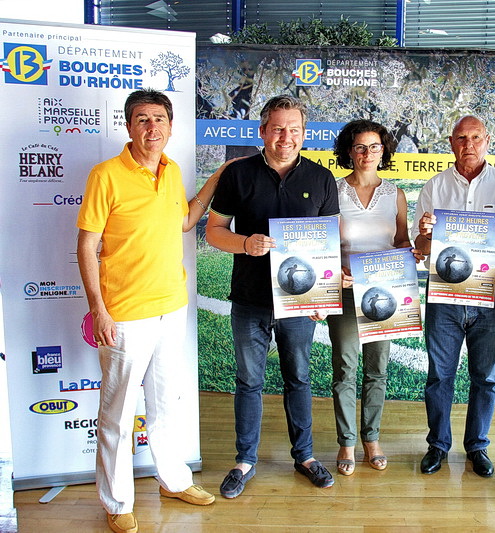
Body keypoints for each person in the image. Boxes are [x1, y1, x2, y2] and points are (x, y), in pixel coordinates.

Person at [77, 89, 223, 533]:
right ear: (128, 126)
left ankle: (172, 480)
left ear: (170, 126)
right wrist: (98, 309)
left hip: (170, 306)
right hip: (124, 311)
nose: (152, 129)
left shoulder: (172, 169)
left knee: (164, 403)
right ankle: (117, 501)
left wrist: (217, 176)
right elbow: (86, 244)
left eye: (159, 119)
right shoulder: (105, 175)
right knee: (118, 413)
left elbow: (182, 221)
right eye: (142, 120)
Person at [205, 95, 339, 497]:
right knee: (249, 380)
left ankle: (306, 457)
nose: (286, 137)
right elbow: (213, 231)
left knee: (299, 377)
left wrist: (322, 295)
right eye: (278, 128)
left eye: (294, 129)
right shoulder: (237, 173)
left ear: (304, 133)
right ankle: (244, 461)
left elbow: (328, 244)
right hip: (249, 299)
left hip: (299, 304)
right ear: (262, 131)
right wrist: (245, 243)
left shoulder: (320, 179)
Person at [412, 115, 495, 478]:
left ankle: (477, 445)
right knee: (439, 375)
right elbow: (420, 247)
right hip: (444, 293)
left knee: (485, 376)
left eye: (475, 137)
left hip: (491, 291)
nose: (468, 144)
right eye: (461, 138)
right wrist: (426, 234)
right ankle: (438, 445)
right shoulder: (434, 187)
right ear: (451, 142)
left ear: (487, 140)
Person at [327, 120, 411, 476]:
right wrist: (337, 273)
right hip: (345, 292)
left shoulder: (396, 195)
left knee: (377, 369)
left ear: (383, 151)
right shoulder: (332, 191)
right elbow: (322, 244)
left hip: (384, 295)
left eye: (374, 147)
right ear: (349, 150)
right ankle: (346, 441)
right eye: (360, 147)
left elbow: (403, 242)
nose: (367, 153)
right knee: (345, 368)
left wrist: (413, 251)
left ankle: (371, 439)